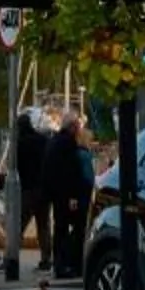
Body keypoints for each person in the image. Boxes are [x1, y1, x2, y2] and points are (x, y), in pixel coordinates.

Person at [9, 107, 55, 281]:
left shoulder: (19, 143)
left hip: (28, 188)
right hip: (43, 189)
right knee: (43, 225)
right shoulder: (43, 140)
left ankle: (12, 256)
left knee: (19, 224)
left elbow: (17, 166)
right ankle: (46, 259)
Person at [49, 115, 94, 279]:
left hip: (58, 193)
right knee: (77, 229)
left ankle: (61, 263)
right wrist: (73, 196)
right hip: (72, 195)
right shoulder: (70, 146)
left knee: (61, 229)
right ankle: (72, 264)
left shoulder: (55, 141)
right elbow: (75, 174)